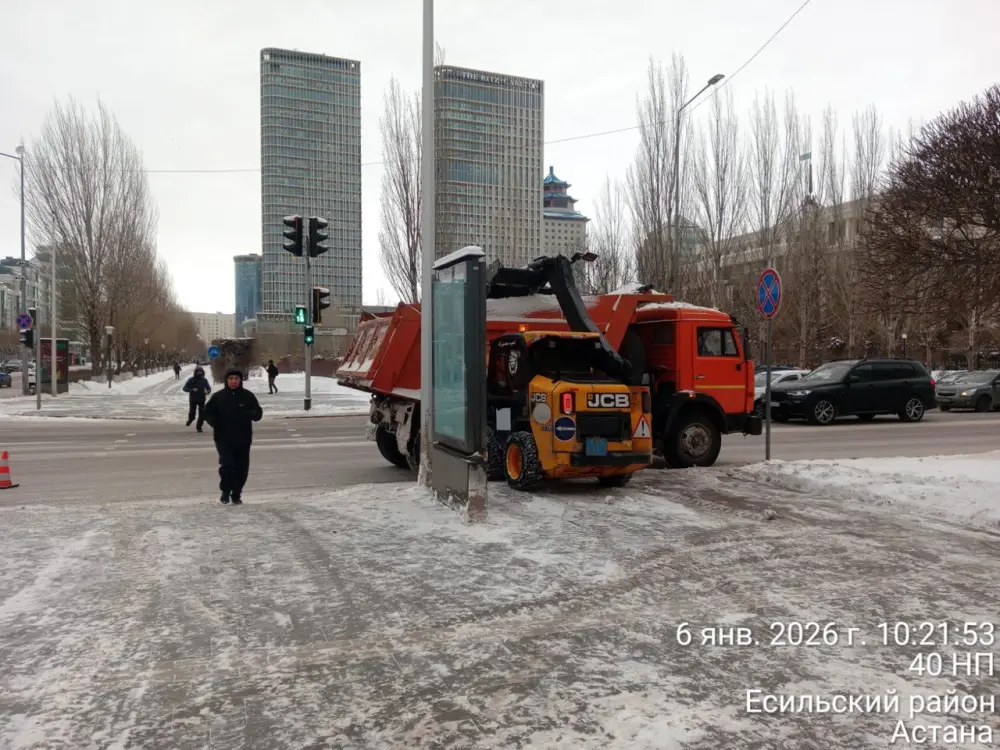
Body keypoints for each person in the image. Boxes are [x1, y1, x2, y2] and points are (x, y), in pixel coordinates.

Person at [203, 368, 262, 505]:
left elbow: (258, 414)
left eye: (236, 379)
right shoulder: (218, 397)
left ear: (240, 381)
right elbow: (207, 412)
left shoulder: (248, 396)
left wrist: (249, 413)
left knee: (241, 468)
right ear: (226, 380)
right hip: (223, 437)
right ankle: (225, 491)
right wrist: (213, 422)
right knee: (227, 465)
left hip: (243, 438)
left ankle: (236, 494)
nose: (234, 381)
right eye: (231, 379)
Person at [182, 365, 212, 431]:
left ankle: (199, 427)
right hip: (193, 399)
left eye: (201, 372)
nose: (199, 373)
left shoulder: (204, 380)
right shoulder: (191, 380)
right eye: (198, 372)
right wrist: (192, 389)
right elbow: (184, 388)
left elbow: (208, 388)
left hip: (201, 399)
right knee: (192, 413)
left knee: (202, 414)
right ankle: (190, 419)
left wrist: (208, 391)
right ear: (195, 372)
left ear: (203, 372)